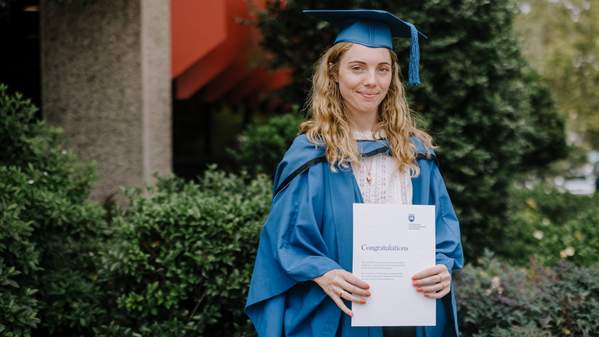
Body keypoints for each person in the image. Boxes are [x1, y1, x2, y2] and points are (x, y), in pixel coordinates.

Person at [245, 9, 464, 337]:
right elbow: (285, 237)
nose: (372, 81)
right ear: (334, 72)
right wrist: (323, 272)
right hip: (338, 315)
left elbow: (443, 229)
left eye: (383, 69)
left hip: (410, 317)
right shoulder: (312, 153)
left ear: (394, 76)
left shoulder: (416, 153)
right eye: (357, 68)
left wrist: (443, 267)